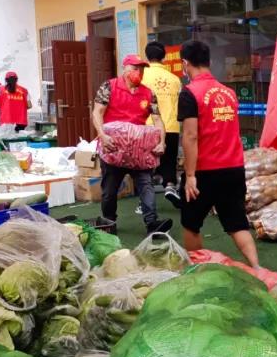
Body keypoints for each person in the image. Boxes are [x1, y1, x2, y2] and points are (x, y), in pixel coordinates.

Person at [177, 40, 260, 269]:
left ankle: (199, 269)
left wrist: (190, 175)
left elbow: (191, 136)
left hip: (205, 171)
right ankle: (257, 268)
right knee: (237, 223)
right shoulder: (229, 92)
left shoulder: (189, 93)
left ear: (185, 64)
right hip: (234, 168)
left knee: (191, 223)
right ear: (209, 62)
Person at [92, 54, 171, 234]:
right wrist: (102, 135)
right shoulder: (109, 87)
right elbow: (97, 112)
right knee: (109, 190)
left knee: (146, 184)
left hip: (140, 150)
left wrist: (162, 142)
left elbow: (158, 120)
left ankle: (152, 223)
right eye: (135, 68)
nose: (139, 72)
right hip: (113, 148)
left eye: (142, 69)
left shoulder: (148, 93)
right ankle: (109, 222)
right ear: (125, 68)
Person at [142, 41, 183, 207]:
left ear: (147, 56)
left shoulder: (142, 76)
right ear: (164, 57)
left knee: (145, 164)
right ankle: (170, 186)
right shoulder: (175, 79)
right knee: (169, 159)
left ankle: (144, 199)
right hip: (171, 125)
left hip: (148, 126)